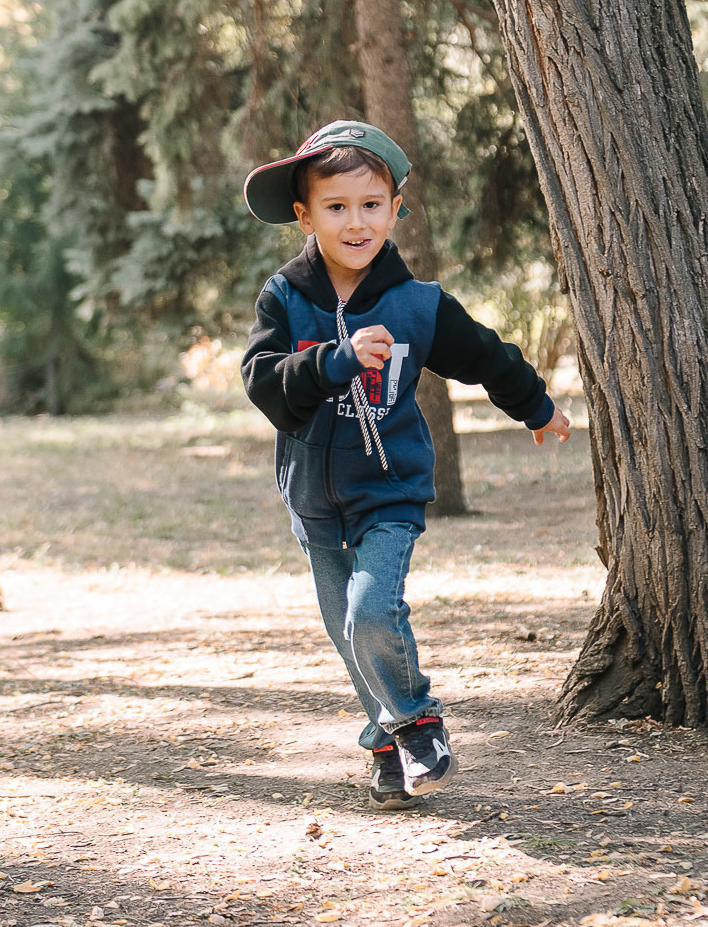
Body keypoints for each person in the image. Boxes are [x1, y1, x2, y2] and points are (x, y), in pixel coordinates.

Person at [241, 120, 572, 809]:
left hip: (389, 489)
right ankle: (386, 745)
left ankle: (418, 720)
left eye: (371, 204)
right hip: (312, 497)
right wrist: (334, 360)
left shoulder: (416, 305)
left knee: (370, 612)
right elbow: (263, 382)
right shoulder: (284, 296)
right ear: (304, 215)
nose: (356, 222)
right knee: (348, 632)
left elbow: (486, 355)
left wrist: (536, 406)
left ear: (395, 209)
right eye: (336, 206)